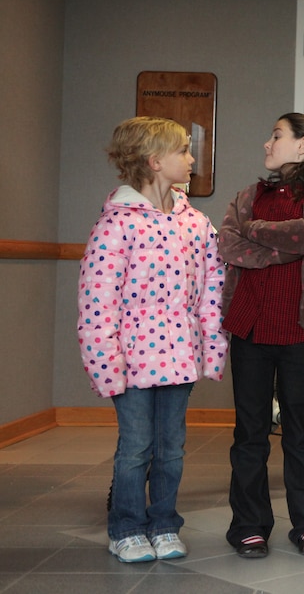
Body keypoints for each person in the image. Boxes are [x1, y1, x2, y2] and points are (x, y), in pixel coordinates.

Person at [77, 116, 226, 563]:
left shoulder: (196, 222)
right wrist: (106, 365)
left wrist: (212, 350)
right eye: (183, 150)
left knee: (171, 449)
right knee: (136, 447)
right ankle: (125, 527)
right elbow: (95, 302)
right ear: (155, 161)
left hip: (179, 358)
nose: (192, 158)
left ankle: (163, 523)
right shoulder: (116, 224)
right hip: (132, 363)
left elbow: (212, 289)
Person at [220, 112, 304, 558]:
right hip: (251, 327)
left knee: (302, 431)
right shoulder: (248, 195)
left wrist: (257, 235)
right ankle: (249, 525)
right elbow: (227, 244)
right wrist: (280, 248)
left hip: (300, 328)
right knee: (249, 433)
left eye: (276, 135)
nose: (266, 143)